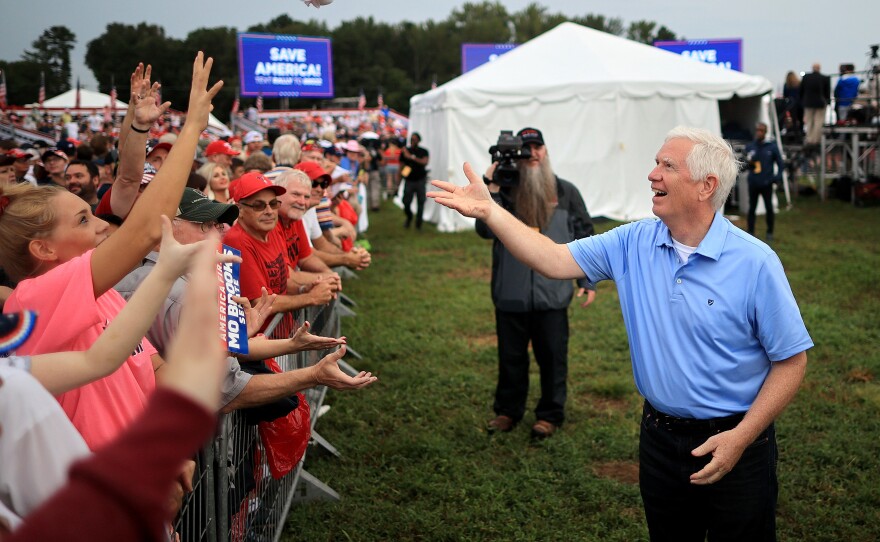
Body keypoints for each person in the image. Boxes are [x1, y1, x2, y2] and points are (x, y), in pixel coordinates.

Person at [429, 126, 812, 541]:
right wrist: (491, 211)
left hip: (738, 442)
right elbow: (554, 259)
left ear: (707, 186)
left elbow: (791, 360)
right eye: (655, 162)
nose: (652, 174)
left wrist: (742, 437)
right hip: (659, 439)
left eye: (667, 166)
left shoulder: (755, 262)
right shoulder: (633, 241)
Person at [0, 54, 222, 450]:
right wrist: (192, 130)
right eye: (84, 220)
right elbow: (141, 230)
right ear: (43, 248)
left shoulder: (104, 297)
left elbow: (152, 368)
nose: (104, 224)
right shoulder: (34, 298)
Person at [478, 127, 595, 439]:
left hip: (553, 294)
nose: (532, 153)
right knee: (510, 358)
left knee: (553, 357)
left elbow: (585, 235)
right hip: (510, 294)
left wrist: (587, 278)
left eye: (537, 147)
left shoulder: (566, 191)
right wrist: (490, 187)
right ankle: (507, 411)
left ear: (546, 151)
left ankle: (550, 414)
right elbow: (484, 231)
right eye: (525, 148)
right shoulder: (503, 190)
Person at [744, 123, 785, 242]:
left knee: (769, 208)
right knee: (752, 207)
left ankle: (770, 232)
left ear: (765, 132)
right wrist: (748, 163)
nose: (759, 133)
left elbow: (781, 164)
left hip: (767, 183)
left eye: (761, 131)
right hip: (753, 183)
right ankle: (750, 232)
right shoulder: (751, 147)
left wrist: (776, 178)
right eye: (757, 130)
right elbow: (745, 164)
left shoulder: (771, 147)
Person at [399, 132, 429, 230]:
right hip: (409, 180)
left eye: (415, 139)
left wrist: (411, 157)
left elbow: (424, 162)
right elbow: (401, 166)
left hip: (420, 180)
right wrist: (399, 179)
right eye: (412, 139)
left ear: (419, 140)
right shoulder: (405, 151)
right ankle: (409, 216)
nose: (413, 141)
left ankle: (418, 224)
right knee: (406, 202)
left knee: (421, 202)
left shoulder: (423, 151)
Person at [799, 63, 831, 149]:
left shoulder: (806, 77)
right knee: (818, 122)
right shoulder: (824, 78)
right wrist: (828, 102)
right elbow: (827, 93)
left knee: (809, 122)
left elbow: (801, 90)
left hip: (808, 103)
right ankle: (816, 140)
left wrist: (802, 101)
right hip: (820, 103)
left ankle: (809, 139)